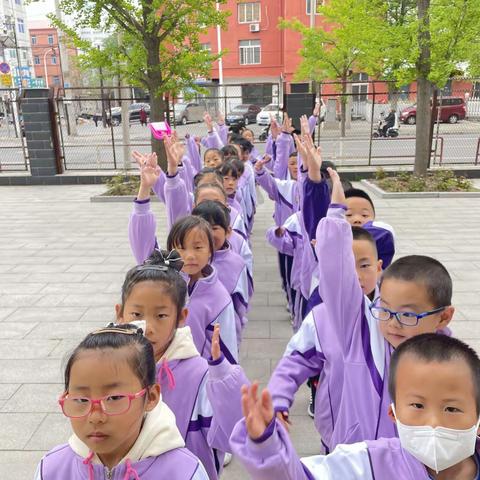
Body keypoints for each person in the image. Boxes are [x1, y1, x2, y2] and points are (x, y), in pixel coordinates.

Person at [268, 168, 455, 452]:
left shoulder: (447, 356)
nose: (393, 323)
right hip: (345, 447)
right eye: (387, 311)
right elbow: (295, 359)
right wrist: (278, 398)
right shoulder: (354, 324)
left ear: (442, 317)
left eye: (407, 315)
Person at [230, 333, 480, 480]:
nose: (433, 422)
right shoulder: (367, 463)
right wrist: (266, 444)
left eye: (451, 409)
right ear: (394, 414)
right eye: (417, 405)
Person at [35, 324, 209, 479]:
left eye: (114, 398)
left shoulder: (184, 472)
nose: (95, 417)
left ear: (151, 397)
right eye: (81, 399)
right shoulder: (52, 470)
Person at [116, 249, 232, 479]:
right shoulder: (108, 369)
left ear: (181, 316)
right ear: (120, 314)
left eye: (161, 316)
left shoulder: (199, 376)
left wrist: (224, 382)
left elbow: (232, 437)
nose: (147, 326)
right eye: (137, 313)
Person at [192, 200, 252, 347]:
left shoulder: (236, 263)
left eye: (214, 228)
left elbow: (242, 300)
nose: (207, 234)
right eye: (202, 228)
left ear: (228, 231)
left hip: (224, 333)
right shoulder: (188, 261)